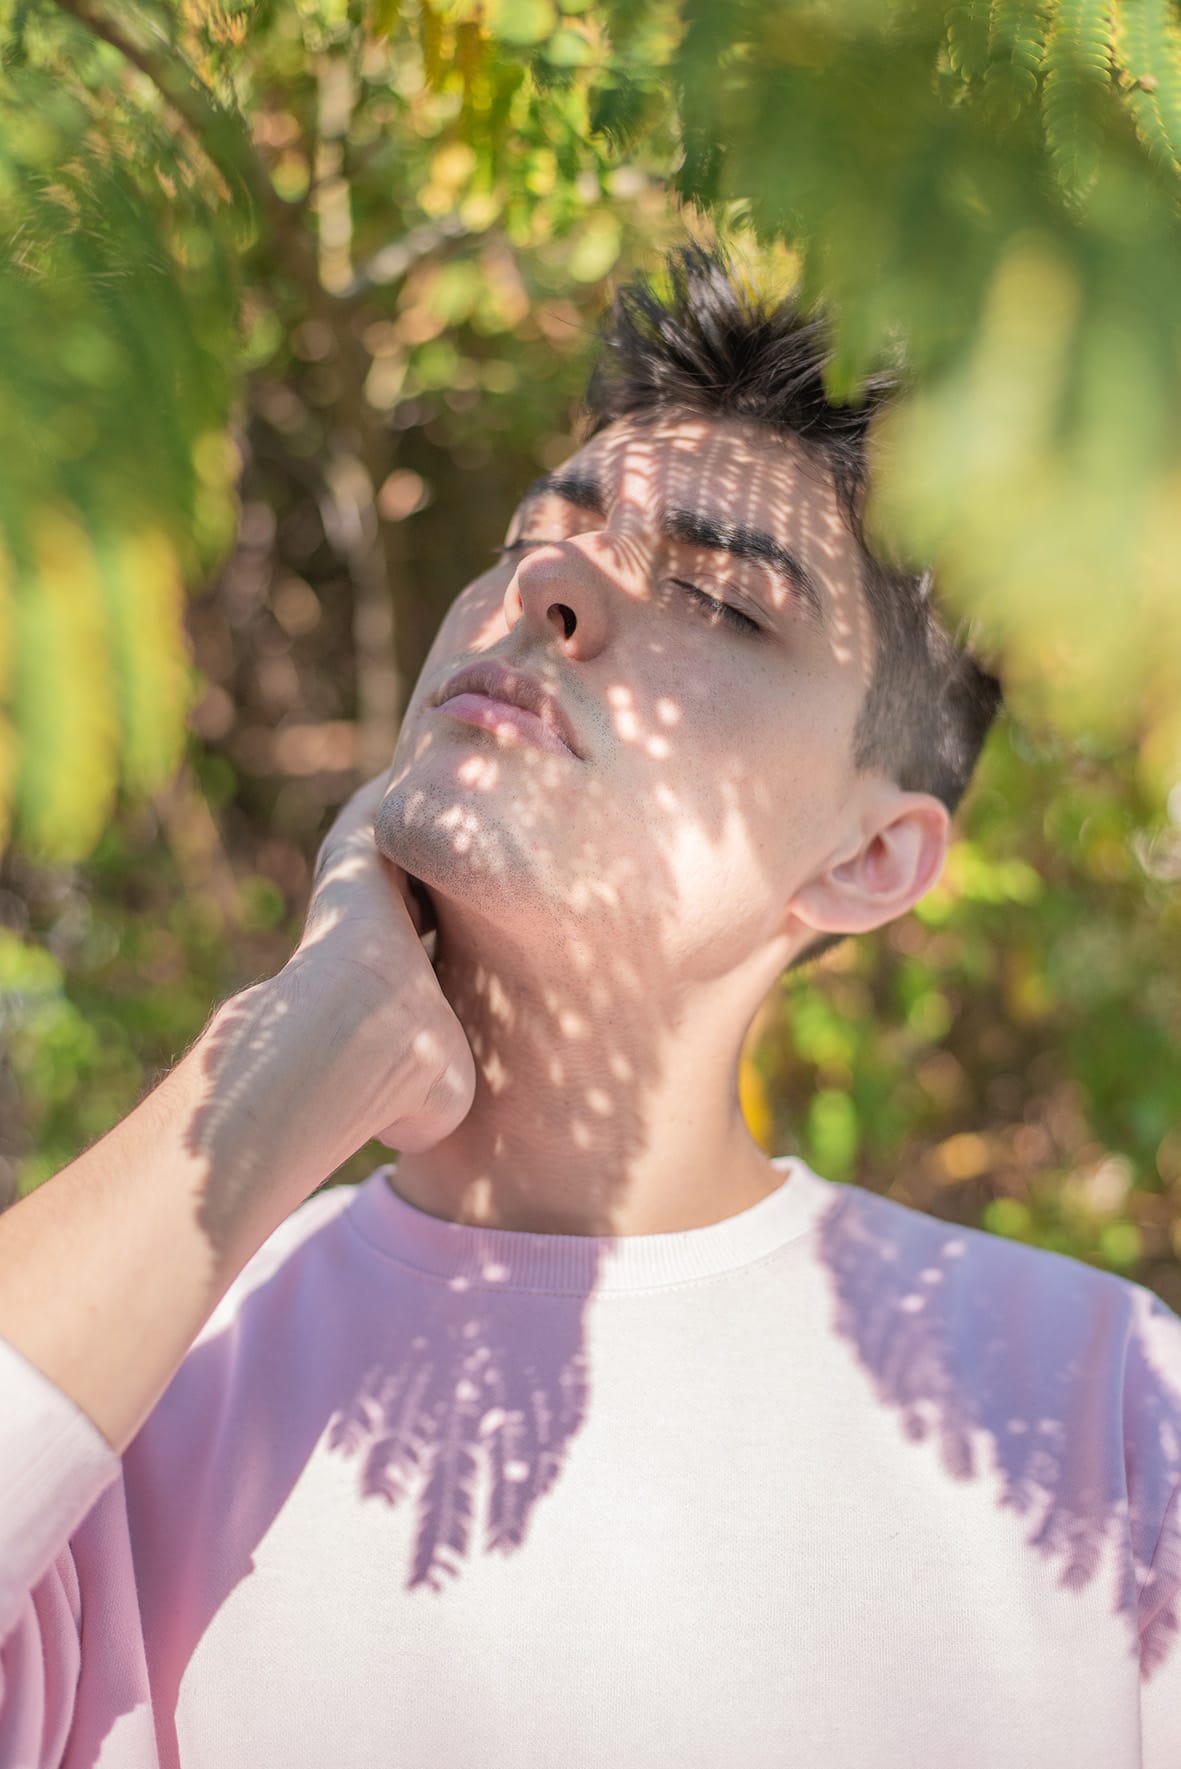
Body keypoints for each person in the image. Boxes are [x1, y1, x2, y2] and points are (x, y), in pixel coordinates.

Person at [0, 244, 1178, 1769]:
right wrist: (291, 1048)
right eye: (532, 537)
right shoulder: (129, 1366)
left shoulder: (1101, 1413)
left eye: (717, 599)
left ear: (869, 857)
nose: (543, 586)